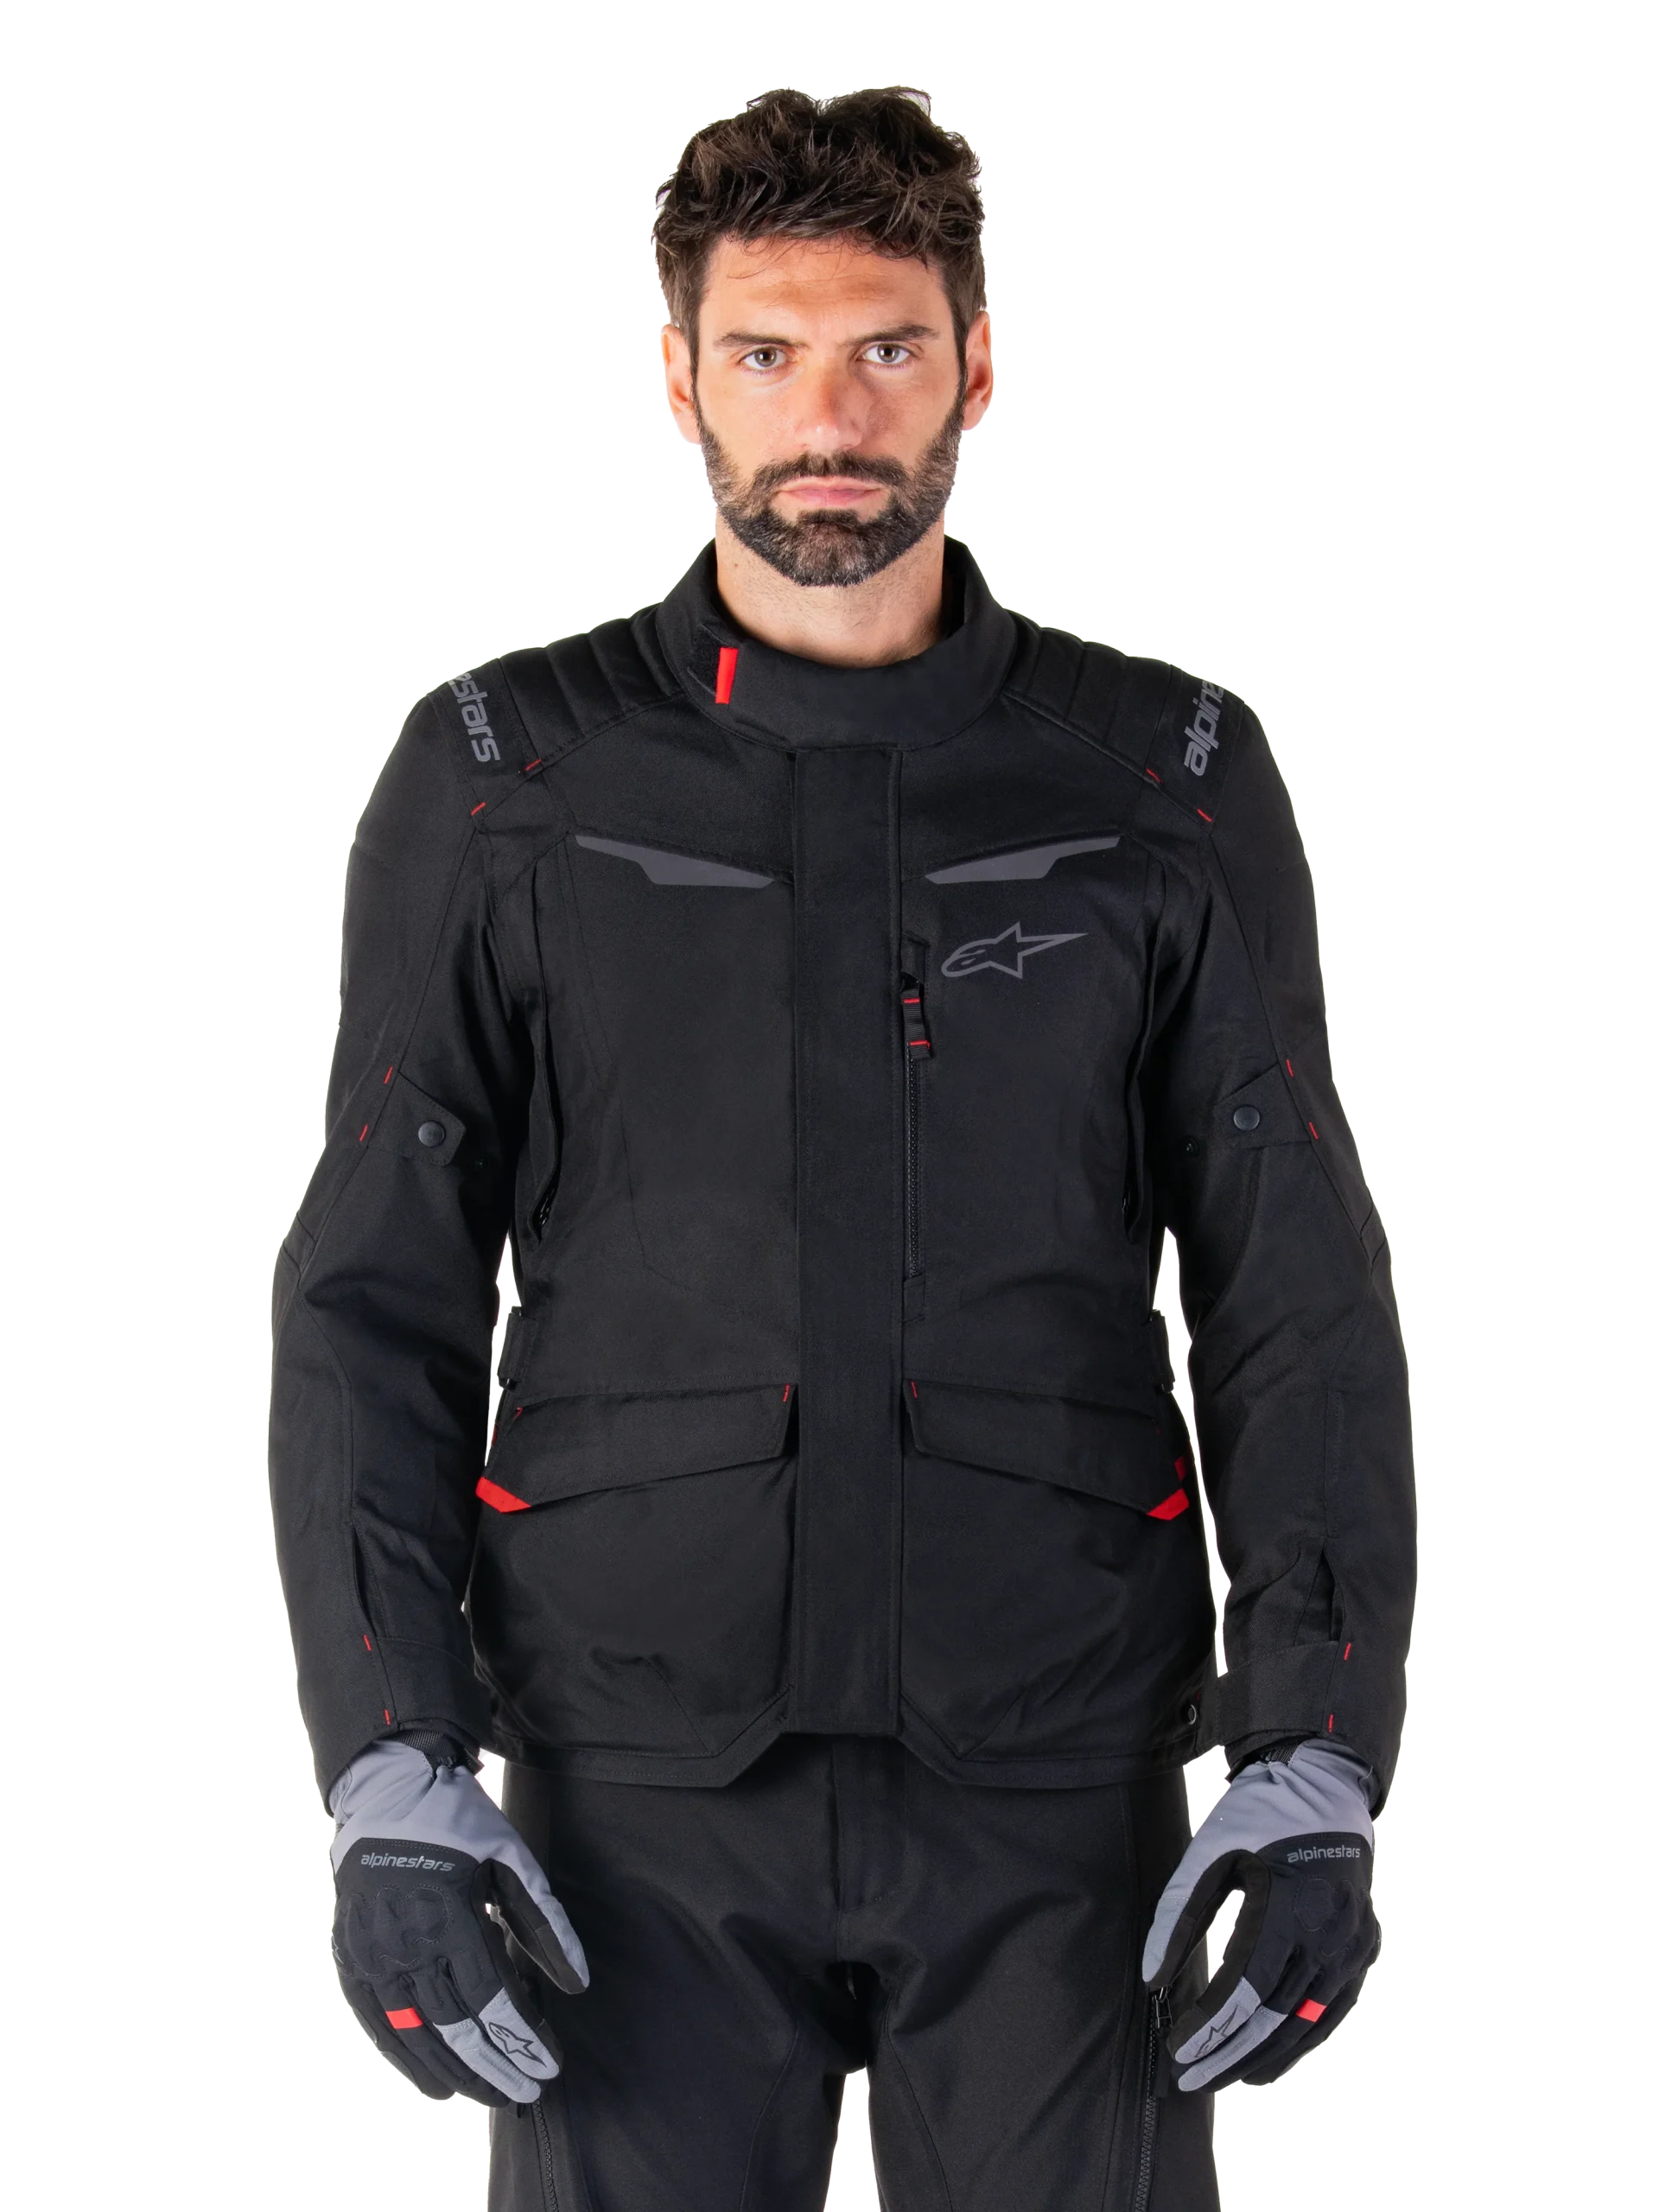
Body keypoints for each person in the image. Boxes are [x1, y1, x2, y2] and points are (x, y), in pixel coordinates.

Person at [269, 83, 1417, 2212]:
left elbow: (1294, 1290)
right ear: (678, 375)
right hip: (630, 1787)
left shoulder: (1164, 771)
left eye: (887, 347)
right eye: (768, 351)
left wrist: (1315, 1756)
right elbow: (372, 1292)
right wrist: (394, 1767)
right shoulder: (504, 773)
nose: (829, 416)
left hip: (1061, 1783)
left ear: (976, 367)